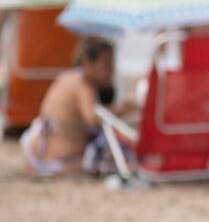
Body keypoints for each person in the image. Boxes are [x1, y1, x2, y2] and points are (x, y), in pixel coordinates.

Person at [20, 37, 132, 177]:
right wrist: (122, 110)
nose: (111, 71)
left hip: (36, 154)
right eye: (107, 65)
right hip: (62, 161)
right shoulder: (84, 86)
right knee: (119, 153)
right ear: (88, 63)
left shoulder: (65, 77)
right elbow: (93, 119)